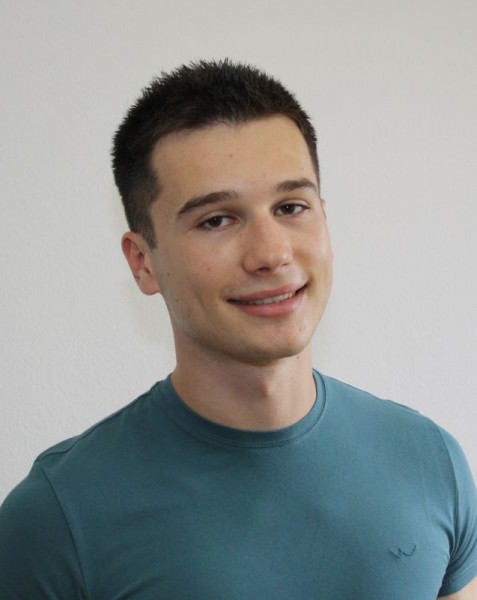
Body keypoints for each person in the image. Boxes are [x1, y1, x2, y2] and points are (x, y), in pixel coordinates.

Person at [0, 59, 476, 600]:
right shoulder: (58, 518)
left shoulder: (430, 460)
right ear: (142, 262)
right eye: (216, 220)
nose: (271, 253)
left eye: (291, 207)